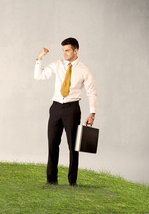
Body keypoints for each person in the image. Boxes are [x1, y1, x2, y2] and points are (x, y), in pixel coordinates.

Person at [34, 37, 98, 186]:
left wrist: (92, 114)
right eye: (63, 50)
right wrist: (39, 58)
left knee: (73, 147)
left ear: (76, 51)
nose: (64, 53)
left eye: (67, 50)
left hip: (72, 109)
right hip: (56, 108)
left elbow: (91, 92)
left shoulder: (84, 70)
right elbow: (39, 76)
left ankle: (72, 182)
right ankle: (51, 180)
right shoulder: (58, 65)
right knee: (52, 144)